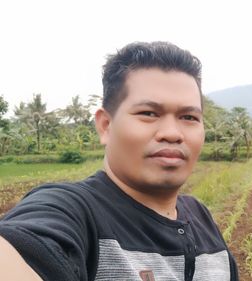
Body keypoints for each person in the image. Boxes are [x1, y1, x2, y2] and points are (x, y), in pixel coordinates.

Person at [0, 41, 239, 281]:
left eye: (189, 117)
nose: (172, 133)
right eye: (148, 113)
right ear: (105, 125)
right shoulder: (75, 213)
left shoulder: (201, 217)